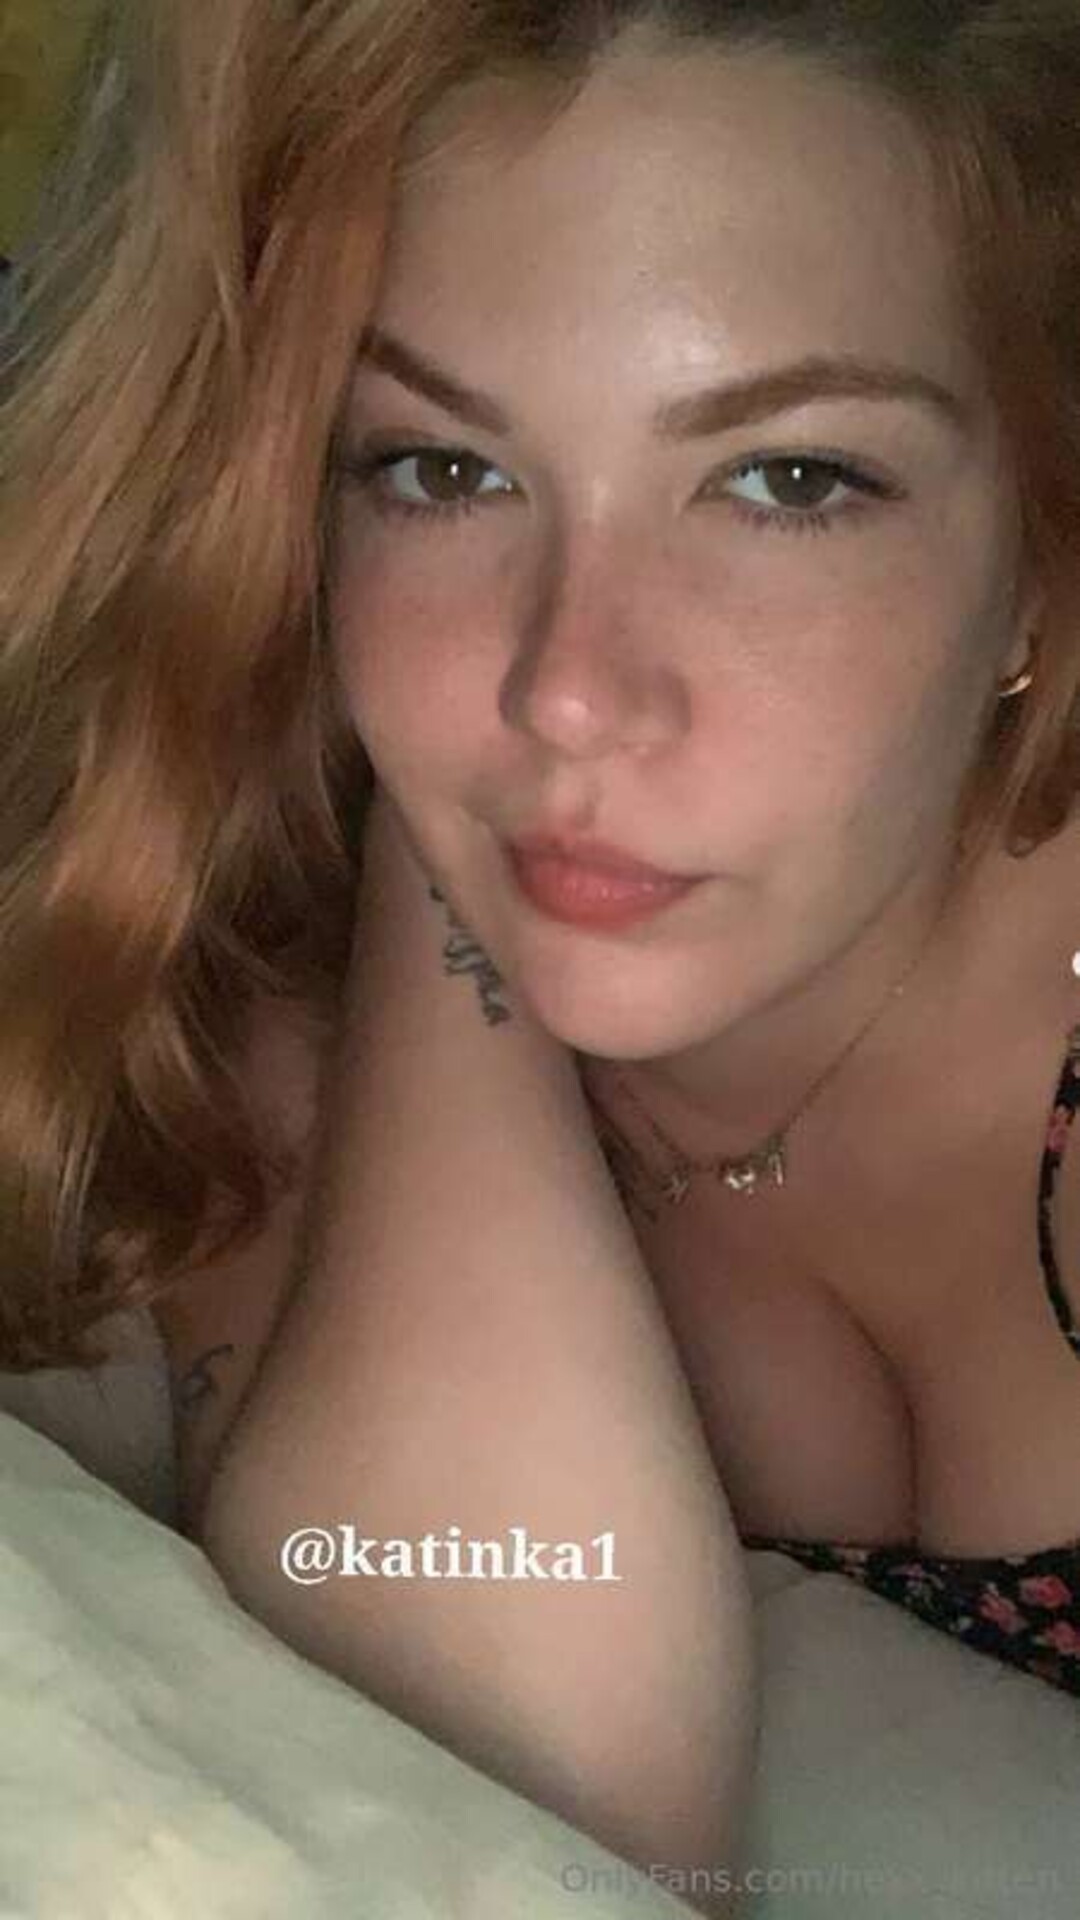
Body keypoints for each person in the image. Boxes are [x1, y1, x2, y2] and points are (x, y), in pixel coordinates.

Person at [4, 0, 1080, 1906]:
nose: (567, 689)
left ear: (1040, 565)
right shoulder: (272, 1059)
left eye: (789, 481)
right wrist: (443, 853)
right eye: (438, 471)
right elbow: (534, 1812)